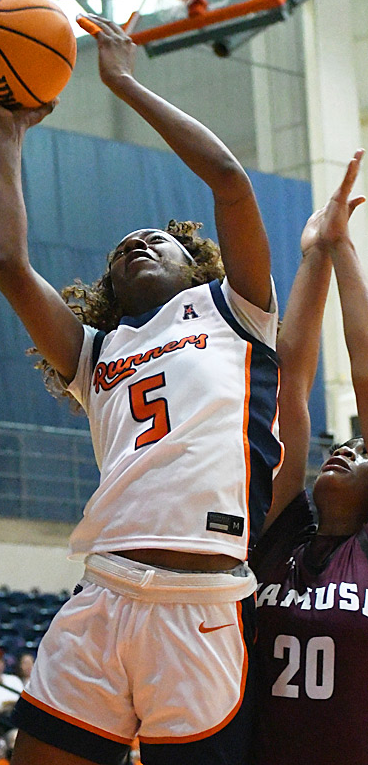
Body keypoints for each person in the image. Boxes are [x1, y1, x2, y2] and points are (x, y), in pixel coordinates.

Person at [0, 13, 281, 765]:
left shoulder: (239, 310)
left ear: (195, 263)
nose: (136, 241)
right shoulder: (96, 350)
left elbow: (228, 179)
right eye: (120, 251)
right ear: (105, 289)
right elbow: (7, 261)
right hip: (103, 593)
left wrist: (125, 82)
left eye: (156, 238)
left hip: (200, 603)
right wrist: (9, 133)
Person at [251, 150, 368, 764]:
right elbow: (289, 382)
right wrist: (314, 255)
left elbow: (367, 369)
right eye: (341, 444)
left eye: (361, 449)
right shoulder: (281, 535)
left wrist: (345, 248)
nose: (344, 449)